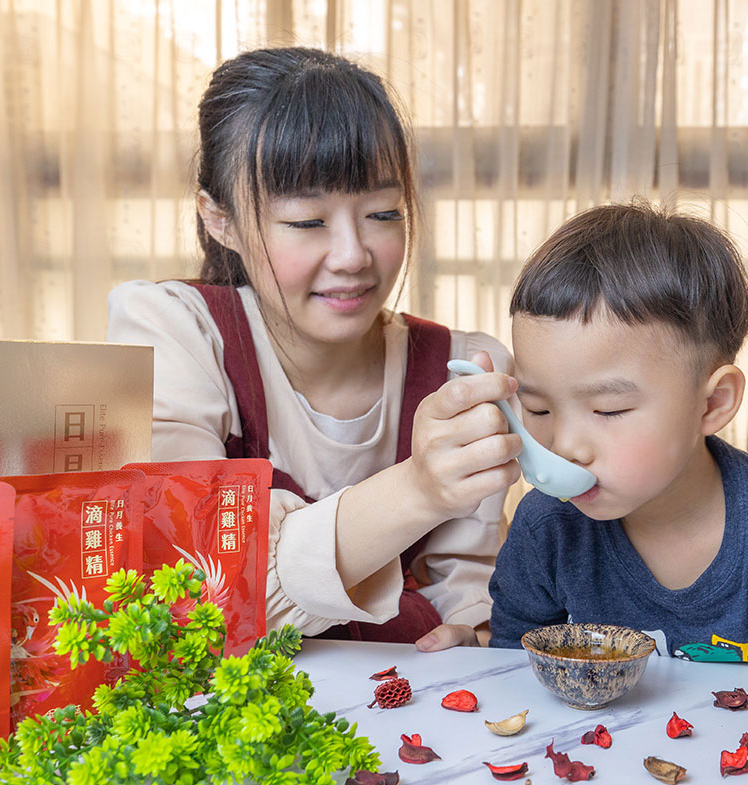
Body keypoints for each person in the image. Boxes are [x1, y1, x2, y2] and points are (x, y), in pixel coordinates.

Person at [108, 47, 521, 651]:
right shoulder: (175, 331)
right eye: (307, 221)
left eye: (383, 213)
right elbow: (196, 586)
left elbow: (470, 587)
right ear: (219, 219)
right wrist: (418, 490)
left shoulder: (458, 367)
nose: (354, 255)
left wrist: (474, 632)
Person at [487, 202, 748, 664]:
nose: (564, 446)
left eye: (609, 410)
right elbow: (513, 670)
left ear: (712, 403)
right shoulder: (546, 529)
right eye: (538, 407)